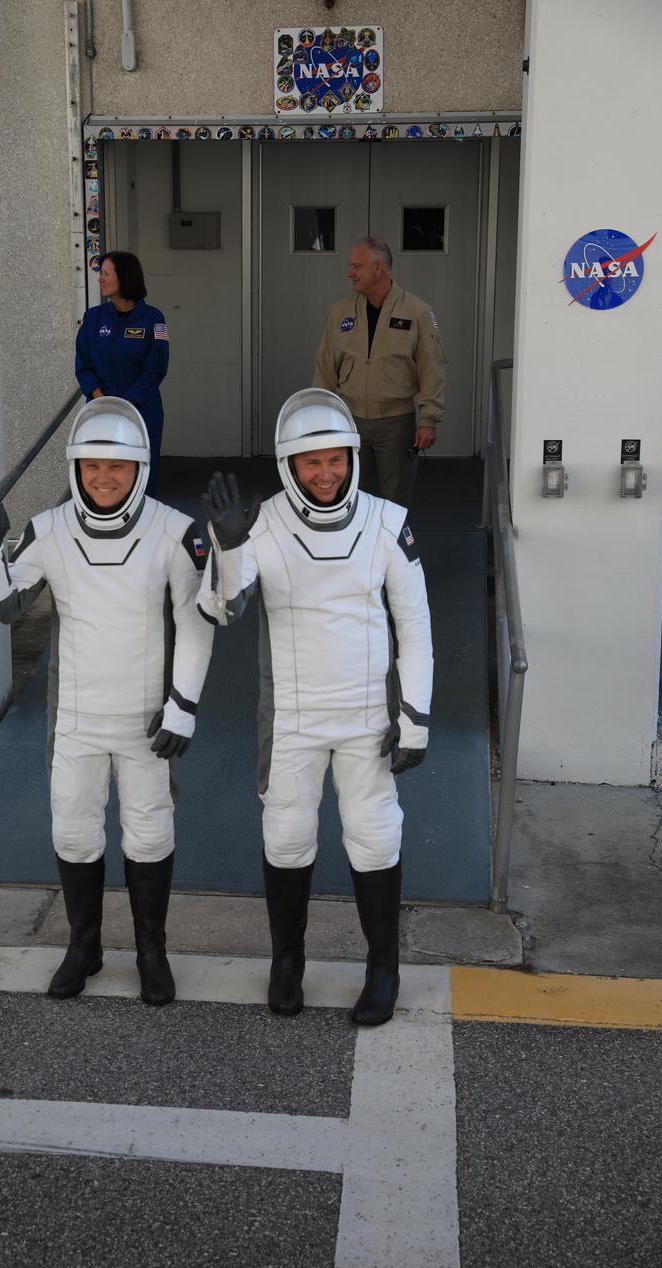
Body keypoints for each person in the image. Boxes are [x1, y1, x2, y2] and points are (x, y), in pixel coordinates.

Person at [0, 397, 212, 1005]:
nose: (103, 478)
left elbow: (197, 624)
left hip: (147, 719)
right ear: (75, 467)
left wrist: (183, 707)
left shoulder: (175, 531)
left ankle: (151, 951)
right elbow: (4, 611)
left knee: (149, 834)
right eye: (92, 466)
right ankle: (84, 948)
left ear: (139, 467)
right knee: (74, 833)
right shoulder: (48, 530)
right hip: (75, 718)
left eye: (116, 466)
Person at [198, 388, 433, 1026]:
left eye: (335, 459)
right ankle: (287, 961)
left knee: (374, 838)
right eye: (311, 462)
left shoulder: (388, 522)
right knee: (287, 835)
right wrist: (227, 548)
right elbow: (222, 609)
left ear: (352, 457)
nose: (325, 474)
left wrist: (414, 717)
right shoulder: (260, 522)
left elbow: (415, 627)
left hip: (368, 718)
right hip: (292, 720)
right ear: (289, 465)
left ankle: (383, 969)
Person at [313, 236, 446, 508]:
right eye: (350, 266)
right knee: (346, 497)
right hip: (350, 422)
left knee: (394, 501)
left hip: (396, 424)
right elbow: (325, 368)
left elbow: (431, 368)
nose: (350, 273)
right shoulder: (340, 313)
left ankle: (392, 539)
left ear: (378, 268)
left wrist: (428, 418)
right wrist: (320, 417)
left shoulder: (417, 312)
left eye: (356, 266)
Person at [75, 251, 169, 496]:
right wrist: (102, 401)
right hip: (100, 412)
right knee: (103, 478)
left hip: (141, 412)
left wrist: (126, 405)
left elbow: (156, 368)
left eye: (106, 273)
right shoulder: (93, 318)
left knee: (141, 475)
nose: (100, 279)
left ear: (124, 277)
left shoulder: (153, 319)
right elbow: (83, 364)